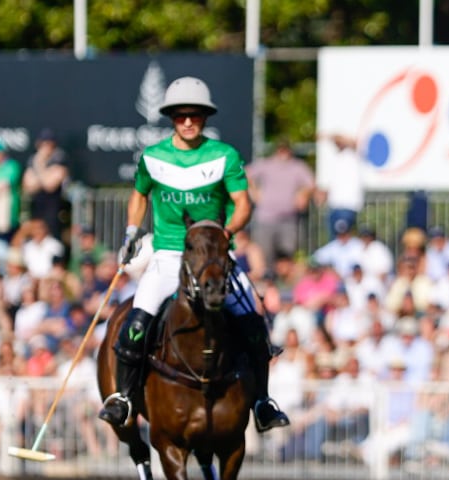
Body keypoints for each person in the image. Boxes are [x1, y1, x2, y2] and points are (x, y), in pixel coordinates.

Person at [97, 76, 289, 433]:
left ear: (205, 118)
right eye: (181, 115)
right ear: (171, 117)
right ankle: (123, 397)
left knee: (254, 324)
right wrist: (131, 232)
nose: (188, 121)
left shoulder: (224, 156)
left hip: (214, 259)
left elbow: (242, 204)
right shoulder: (153, 158)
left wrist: (225, 233)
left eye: (196, 115)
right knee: (135, 325)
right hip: (169, 255)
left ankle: (262, 401)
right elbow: (140, 194)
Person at [245, 138, 316, 267]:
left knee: (288, 254)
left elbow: (311, 183)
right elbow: (246, 173)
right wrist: (254, 191)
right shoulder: (266, 164)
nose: (283, 152)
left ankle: (285, 284)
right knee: (265, 254)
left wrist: (303, 194)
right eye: (281, 149)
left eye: (286, 149)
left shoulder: (297, 166)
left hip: (288, 219)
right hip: (266, 218)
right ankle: (267, 283)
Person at [21, 128, 71, 244]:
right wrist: (44, 174)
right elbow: (28, 186)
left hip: (55, 211)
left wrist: (40, 164)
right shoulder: (32, 159)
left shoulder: (60, 158)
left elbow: (50, 185)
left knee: (53, 243)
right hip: (36, 210)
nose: (45, 147)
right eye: (43, 143)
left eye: (49, 143)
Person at [318, 133, 365, 239]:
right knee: (335, 242)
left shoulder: (353, 155)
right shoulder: (337, 158)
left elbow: (353, 142)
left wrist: (327, 136)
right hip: (334, 206)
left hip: (348, 205)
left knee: (343, 240)